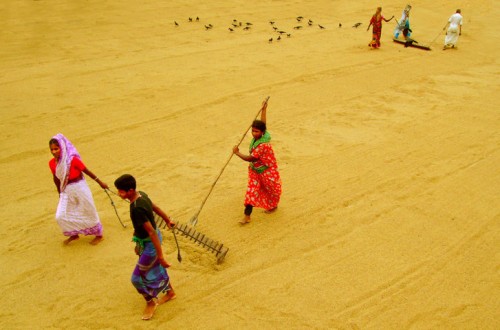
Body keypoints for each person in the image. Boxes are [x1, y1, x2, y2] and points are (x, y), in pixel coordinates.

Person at [114, 174, 176, 321]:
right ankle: (170, 293)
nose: (119, 194)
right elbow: (155, 208)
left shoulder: (137, 209)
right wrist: (167, 220)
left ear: (130, 191)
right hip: (146, 241)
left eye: (121, 191)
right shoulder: (142, 194)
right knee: (155, 268)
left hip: (151, 244)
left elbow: (151, 232)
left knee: (136, 279)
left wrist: (160, 256)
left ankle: (150, 302)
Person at [48, 133, 108, 245]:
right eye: (52, 149)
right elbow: (56, 178)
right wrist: (60, 193)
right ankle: (73, 234)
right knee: (61, 215)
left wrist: (100, 183)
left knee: (88, 210)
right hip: (66, 189)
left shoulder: (72, 160)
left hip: (80, 187)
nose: (54, 151)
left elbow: (87, 171)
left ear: (62, 147)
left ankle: (99, 235)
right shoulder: (52, 163)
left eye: (56, 148)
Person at [232, 100, 282, 225]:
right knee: (251, 191)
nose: (254, 133)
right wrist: (264, 109)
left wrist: (237, 153)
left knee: (272, 190)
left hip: (267, 172)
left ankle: (272, 206)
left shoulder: (263, 144)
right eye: (253, 131)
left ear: (262, 132)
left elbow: (251, 158)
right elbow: (263, 123)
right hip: (255, 171)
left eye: (257, 131)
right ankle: (247, 216)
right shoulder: (261, 135)